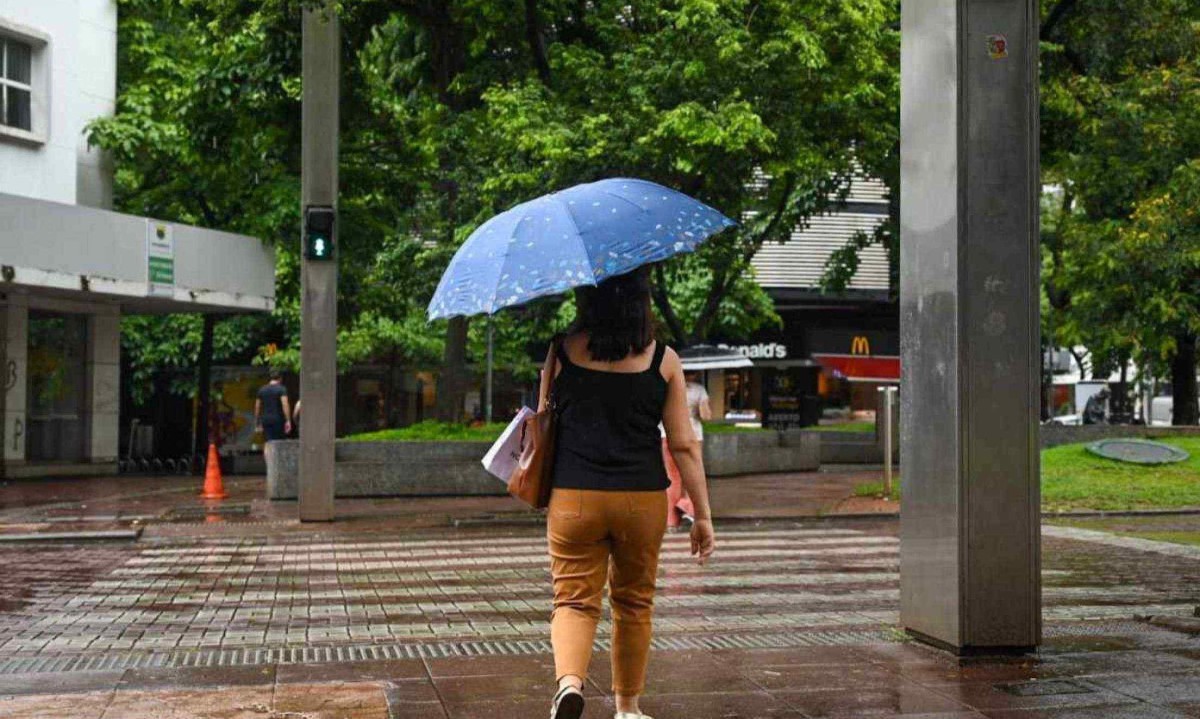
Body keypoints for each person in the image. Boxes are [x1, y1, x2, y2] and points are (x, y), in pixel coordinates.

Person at [542, 267, 716, 719]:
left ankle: (569, 684)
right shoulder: (664, 359)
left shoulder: (561, 350)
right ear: (643, 299)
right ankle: (628, 708)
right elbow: (684, 445)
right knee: (634, 601)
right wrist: (702, 514)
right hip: (642, 498)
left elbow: (543, 423)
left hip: (574, 494)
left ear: (586, 298)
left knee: (574, 599)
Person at [254, 371, 292, 442]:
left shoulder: (261, 390)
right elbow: (285, 405)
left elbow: (257, 407)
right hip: (278, 420)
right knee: (279, 442)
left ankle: (269, 453)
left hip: (266, 420)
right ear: (280, 378)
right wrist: (288, 420)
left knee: (268, 442)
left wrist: (257, 421)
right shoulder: (281, 389)